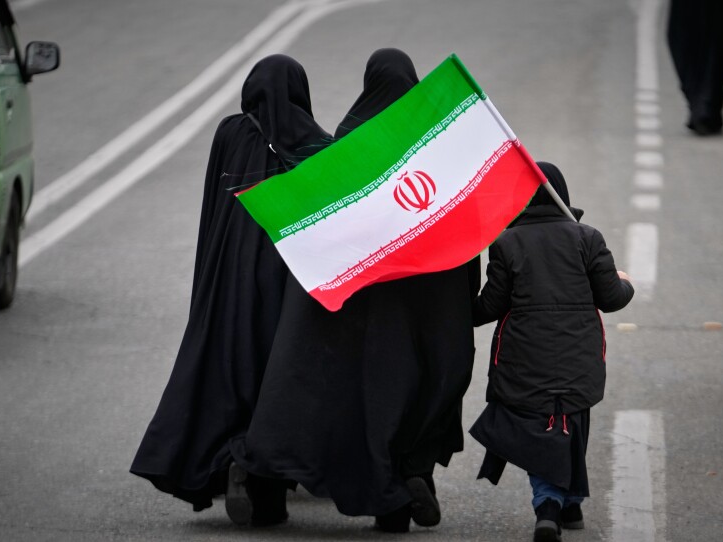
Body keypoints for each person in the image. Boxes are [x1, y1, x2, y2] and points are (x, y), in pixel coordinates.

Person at [228, 48, 480, 533]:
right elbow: (465, 241)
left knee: (340, 403)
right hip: (421, 320)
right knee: (408, 402)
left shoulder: (344, 156)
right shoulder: (436, 158)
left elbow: (315, 233)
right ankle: (402, 491)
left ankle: (274, 484)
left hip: (349, 317)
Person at [129, 54, 332, 525]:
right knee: (275, 379)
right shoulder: (315, 144)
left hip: (229, 278)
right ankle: (266, 488)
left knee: (229, 371)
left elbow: (212, 205)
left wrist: (207, 278)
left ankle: (229, 460)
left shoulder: (230, 132)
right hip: (285, 285)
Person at [469, 162, 634, 542]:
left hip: (524, 358)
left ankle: (557, 505)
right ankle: (557, 505)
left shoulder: (507, 242)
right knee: (571, 422)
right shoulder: (587, 238)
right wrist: (626, 283)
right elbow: (611, 298)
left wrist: (452, 307)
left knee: (540, 427)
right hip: (580, 356)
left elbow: (489, 307)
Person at [667, 0, 723, 135]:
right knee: (714, 73)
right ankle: (707, 112)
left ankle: (701, 111)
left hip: (691, 31)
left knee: (699, 74)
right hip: (717, 28)